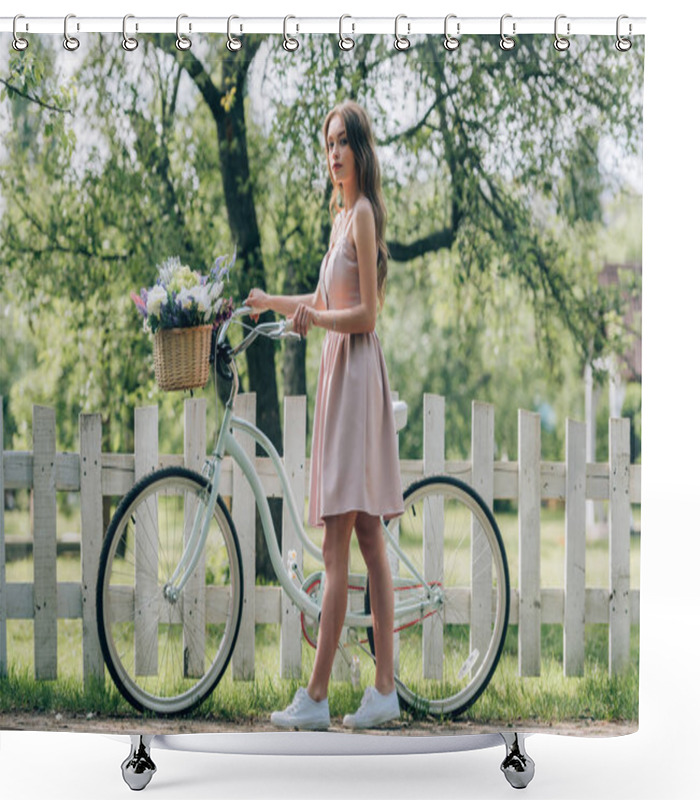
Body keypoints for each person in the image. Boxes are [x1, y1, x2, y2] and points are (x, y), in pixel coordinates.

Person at [245, 101, 404, 730]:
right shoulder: (340, 219)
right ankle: (384, 691)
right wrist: (269, 302)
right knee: (365, 538)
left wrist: (315, 321)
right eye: (328, 144)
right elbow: (317, 301)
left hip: (358, 371)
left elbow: (365, 316)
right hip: (341, 376)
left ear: (360, 150)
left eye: (343, 142)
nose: (333, 153)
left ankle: (315, 698)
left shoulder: (362, 216)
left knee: (341, 541)